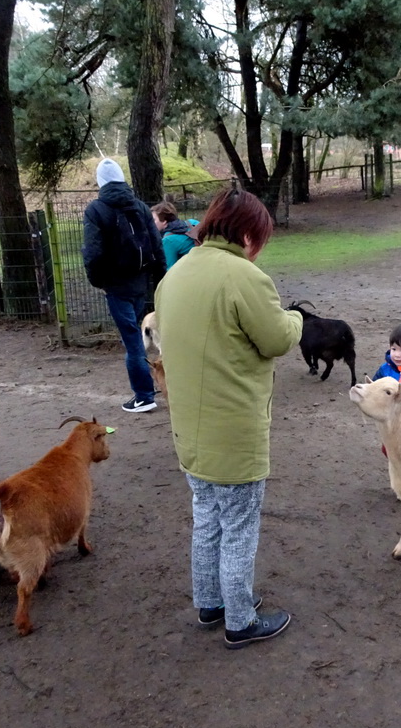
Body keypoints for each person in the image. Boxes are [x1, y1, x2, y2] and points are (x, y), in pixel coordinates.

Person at [154, 187, 303, 650]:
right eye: (259, 239)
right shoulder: (244, 277)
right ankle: (239, 620)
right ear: (245, 234)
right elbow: (277, 338)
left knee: (207, 517)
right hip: (233, 432)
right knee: (239, 525)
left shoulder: (174, 277)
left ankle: (211, 601)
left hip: (190, 433)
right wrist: (296, 318)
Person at [82, 158, 164, 413]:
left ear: (101, 182)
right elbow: (155, 244)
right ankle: (158, 386)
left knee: (133, 341)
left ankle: (143, 395)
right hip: (141, 282)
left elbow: (93, 252)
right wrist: (160, 279)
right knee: (140, 334)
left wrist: (99, 281)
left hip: (116, 286)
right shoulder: (139, 207)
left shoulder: (96, 210)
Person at [151, 200, 201, 270]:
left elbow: (169, 270)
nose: (151, 223)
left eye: (153, 220)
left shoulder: (168, 240)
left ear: (164, 222)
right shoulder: (192, 223)